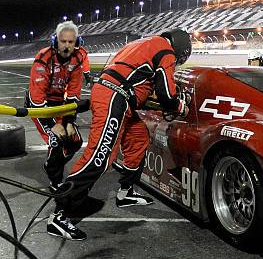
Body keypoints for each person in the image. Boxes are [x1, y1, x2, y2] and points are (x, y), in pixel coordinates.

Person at [47, 29, 192, 240]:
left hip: (117, 97)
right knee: (100, 157)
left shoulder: (141, 43)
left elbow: (132, 77)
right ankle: (60, 215)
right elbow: (166, 95)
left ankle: (126, 191)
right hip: (115, 98)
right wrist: (180, 106)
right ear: (180, 49)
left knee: (139, 137)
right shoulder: (166, 50)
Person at [26, 21, 88, 191]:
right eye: (63, 41)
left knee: (75, 141)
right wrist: (52, 125)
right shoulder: (43, 58)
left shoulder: (77, 60)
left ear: (77, 43)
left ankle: (52, 164)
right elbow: (37, 99)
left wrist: (68, 121)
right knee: (57, 140)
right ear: (55, 41)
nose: (67, 46)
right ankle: (55, 181)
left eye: (71, 42)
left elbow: (74, 95)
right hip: (39, 106)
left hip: (60, 105)